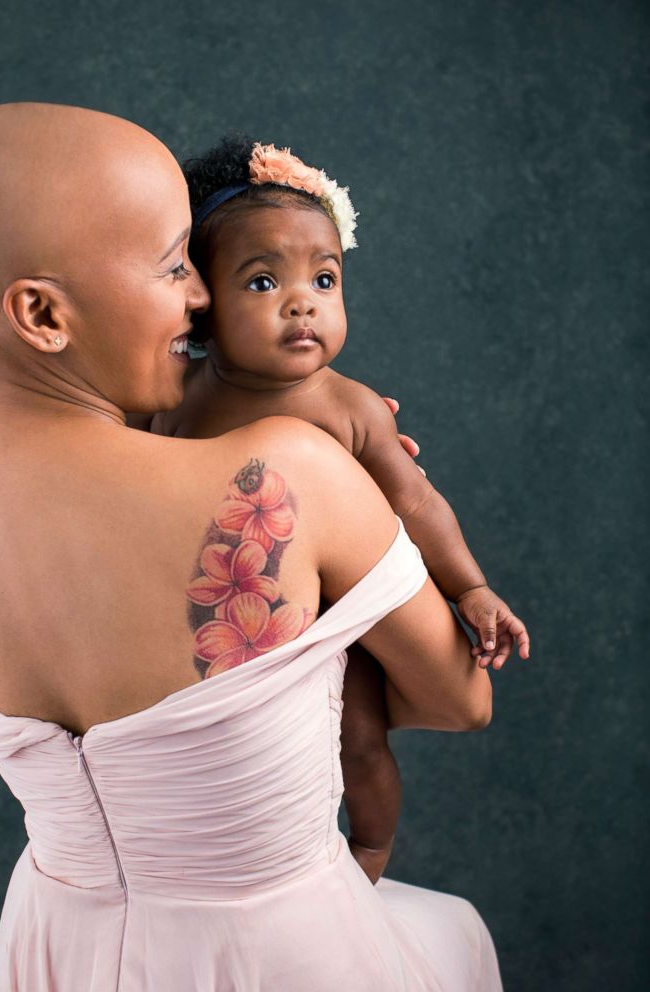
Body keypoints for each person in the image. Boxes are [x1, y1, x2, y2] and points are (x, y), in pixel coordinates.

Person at [0, 102, 502, 991]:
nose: (199, 297)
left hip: (45, 952)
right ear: (40, 313)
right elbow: (462, 701)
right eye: (171, 266)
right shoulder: (287, 476)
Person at [149, 134, 530, 882]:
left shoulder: (349, 408)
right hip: (214, 622)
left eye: (324, 280)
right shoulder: (173, 400)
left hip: (324, 627)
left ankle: (368, 849)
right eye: (261, 284)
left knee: (355, 738)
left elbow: (415, 500)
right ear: (201, 304)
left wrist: (470, 587)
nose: (302, 302)